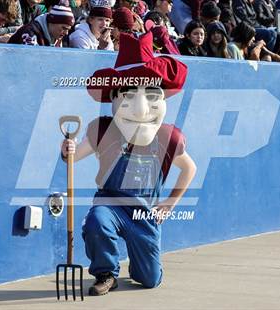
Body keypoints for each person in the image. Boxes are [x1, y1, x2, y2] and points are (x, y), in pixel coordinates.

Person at [61, 31, 196, 296]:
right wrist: (68, 150)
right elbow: (74, 156)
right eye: (129, 95)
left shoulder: (167, 138)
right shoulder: (103, 132)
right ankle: (106, 272)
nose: (141, 109)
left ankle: (142, 267)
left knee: (149, 280)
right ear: (113, 98)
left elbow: (189, 168)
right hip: (109, 204)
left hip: (143, 212)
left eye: (152, 95)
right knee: (96, 224)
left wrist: (170, 203)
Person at [8, 0, 74, 46]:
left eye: (68, 29)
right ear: (52, 22)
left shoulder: (57, 36)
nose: (66, 33)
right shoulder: (31, 33)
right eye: (64, 28)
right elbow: (30, 62)